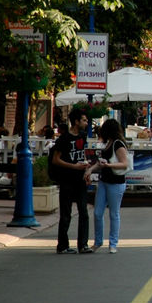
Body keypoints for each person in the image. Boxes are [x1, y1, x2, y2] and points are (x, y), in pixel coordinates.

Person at [49, 109, 92, 254]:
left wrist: (86, 169)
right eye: (84, 120)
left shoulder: (82, 136)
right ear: (76, 122)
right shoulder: (64, 139)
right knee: (66, 213)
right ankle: (62, 245)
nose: (86, 123)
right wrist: (73, 166)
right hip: (67, 179)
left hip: (80, 178)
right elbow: (56, 160)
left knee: (83, 212)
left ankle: (83, 244)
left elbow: (82, 154)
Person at [84, 119, 130, 253]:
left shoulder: (118, 144)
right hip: (104, 181)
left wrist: (109, 165)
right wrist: (91, 169)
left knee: (114, 213)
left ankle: (113, 243)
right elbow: (101, 162)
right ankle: (98, 242)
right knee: (98, 212)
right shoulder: (109, 143)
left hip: (116, 182)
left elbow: (124, 163)